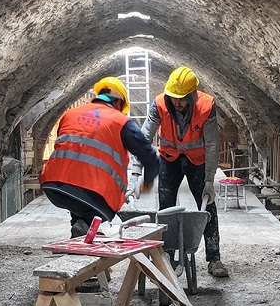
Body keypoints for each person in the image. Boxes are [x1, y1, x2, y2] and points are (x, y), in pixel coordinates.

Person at [40, 77, 160, 238]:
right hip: (93, 198)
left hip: (53, 188)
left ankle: (81, 228)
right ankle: (84, 226)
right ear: (119, 103)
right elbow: (150, 157)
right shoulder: (120, 121)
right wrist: (147, 182)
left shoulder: (69, 114)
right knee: (101, 196)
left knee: (78, 189)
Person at [142, 66, 228, 277]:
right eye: (174, 98)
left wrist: (209, 180)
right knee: (166, 208)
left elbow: (212, 145)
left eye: (182, 98)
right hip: (169, 158)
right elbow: (144, 137)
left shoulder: (207, 107)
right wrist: (136, 169)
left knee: (207, 206)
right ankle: (168, 255)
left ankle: (214, 258)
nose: (177, 102)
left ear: (192, 95)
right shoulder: (160, 104)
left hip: (196, 160)